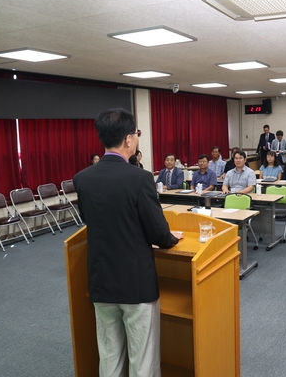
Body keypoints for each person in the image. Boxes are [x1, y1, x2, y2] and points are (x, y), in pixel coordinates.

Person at [73, 109, 181, 377]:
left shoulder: (82, 178)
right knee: (142, 356)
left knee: (109, 354)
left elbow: (91, 221)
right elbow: (158, 233)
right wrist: (171, 238)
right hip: (136, 283)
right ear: (129, 139)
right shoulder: (140, 178)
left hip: (100, 279)